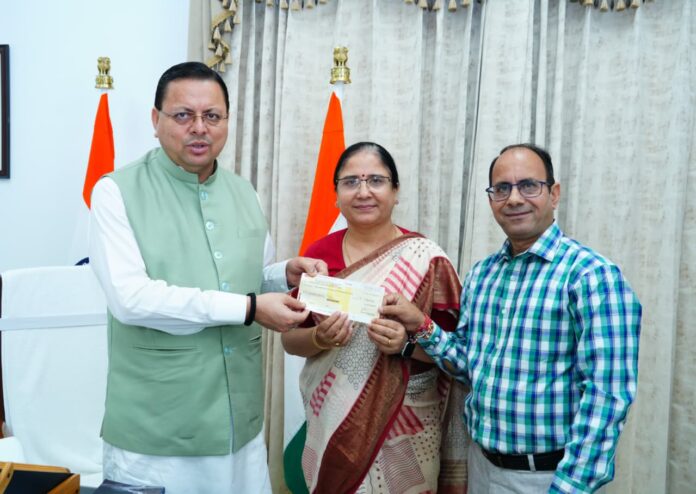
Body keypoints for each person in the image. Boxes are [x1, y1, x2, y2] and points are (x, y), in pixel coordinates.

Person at [88, 61, 327, 494]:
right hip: (158, 430)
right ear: (156, 120)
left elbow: (248, 280)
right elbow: (131, 299)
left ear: (227, 122)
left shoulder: (244, 192)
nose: (199, 128)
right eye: (183, 115)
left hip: (239, 423)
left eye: (212, 116)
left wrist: (282, 275)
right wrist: (250, 309)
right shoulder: (116, 192)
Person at [381, 143, 642, 493]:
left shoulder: (592, 276)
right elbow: (469, 366)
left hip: (546, 477)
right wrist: (421, 325)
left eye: (529, 185)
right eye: (502, 188)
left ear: (554, 194)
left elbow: (607, 397)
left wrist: (569, 487)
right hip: (481, 466)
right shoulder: (482, 274)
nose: (514, 199)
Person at [281, 142, 468, 494]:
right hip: (335, 426)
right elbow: (290, 340)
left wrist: (406, 345)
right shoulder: (319, 257)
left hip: (407, 428)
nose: (363, 192)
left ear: (395, 191)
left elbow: (459, 354)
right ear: (336, 194)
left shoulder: (427, 259)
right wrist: (319, 338)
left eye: (376, 181)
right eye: (351, 181)